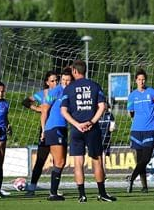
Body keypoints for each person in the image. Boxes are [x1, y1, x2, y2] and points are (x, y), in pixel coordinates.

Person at [60, 60, 116, 203]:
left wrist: (77, 124)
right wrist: (91, 121)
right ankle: (102, 194)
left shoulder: (69, 88)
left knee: (78, 163)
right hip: (93, 129)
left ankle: (82, 195)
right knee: (97, 161)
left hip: (76, 130)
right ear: (84, 70)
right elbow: (102, 106)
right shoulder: (94, 85)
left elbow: (63, 110)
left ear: (74, 71)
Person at [126, 69, 154, 193]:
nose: (141, 81)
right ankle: (144, 186)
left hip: (150, 129)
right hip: (136, 130)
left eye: (143, 79)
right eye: (139, 79)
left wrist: (150, 118)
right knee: (140, 160)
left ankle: (131, 178)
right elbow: (131, 112)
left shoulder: (152, 92)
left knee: (146, 158)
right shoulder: (132, 95)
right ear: (135, 80)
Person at [40, 67, 73, 201]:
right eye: (64, 80)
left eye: (68, 80)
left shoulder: (70, 93)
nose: (65, 82)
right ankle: (52, 193)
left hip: (62, 128)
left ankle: (54, 191)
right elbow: (44, 110)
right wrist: (43, 130)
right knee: (59, 161)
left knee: (61, 161)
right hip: (54, 128)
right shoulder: (56, 91)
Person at [25, 71, 58, 196]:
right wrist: (38, 109)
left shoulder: (61, 92)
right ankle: (32, 187)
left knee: (58, 161)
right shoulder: (43, 94)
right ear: (47, 82)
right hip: (45, 130)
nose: (55, 83)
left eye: (56, 80)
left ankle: (54, 189)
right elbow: (26, 102)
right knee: (41, 159)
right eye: (52, 81)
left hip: (58, 129)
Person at [98, 103, 116, 169]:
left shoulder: (110, 115)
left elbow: (112, 126)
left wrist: (113, 127)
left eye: (105, 104)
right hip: (97, 138)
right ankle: (102, 174)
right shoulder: (96, 114)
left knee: (103, 156)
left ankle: (103, 174)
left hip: (106, 139)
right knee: (100, 156)